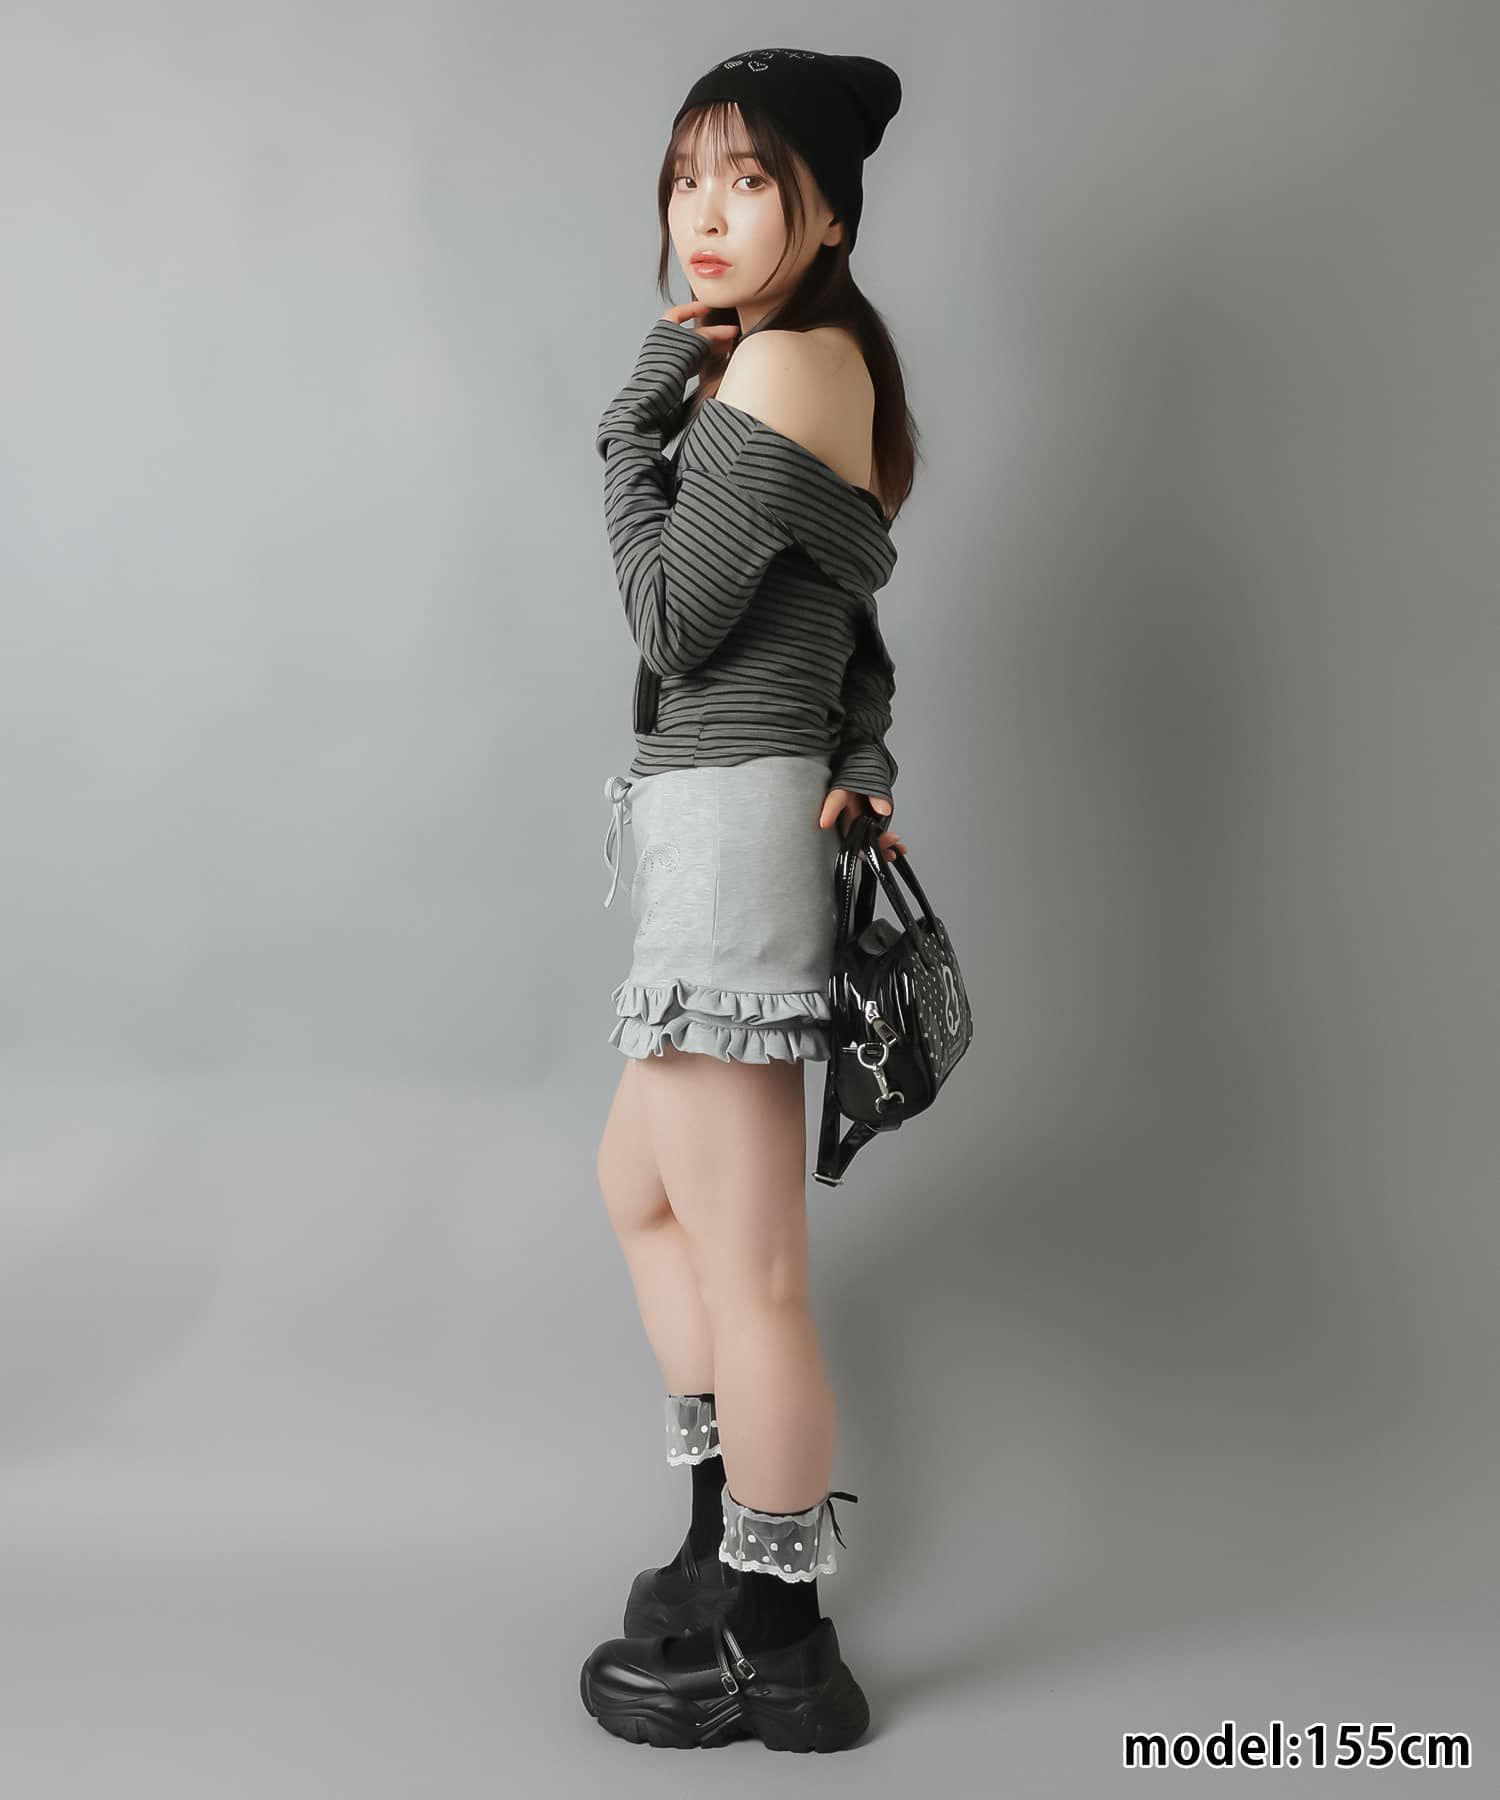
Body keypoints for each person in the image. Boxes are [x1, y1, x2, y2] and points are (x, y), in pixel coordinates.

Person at [580, 47, 914, 1754]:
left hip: (725, 836)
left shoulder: (773, 366)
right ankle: (728, 1544)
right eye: (686, 176)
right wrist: (864, 746)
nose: (703, 213)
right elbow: (844, 619)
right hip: (730, 816)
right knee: (642, 1190)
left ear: (826, 212)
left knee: (753, 1264)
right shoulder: (822, 365)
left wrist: (628, 421)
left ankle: (779, 1646)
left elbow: (672, 621)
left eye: (750, 179)